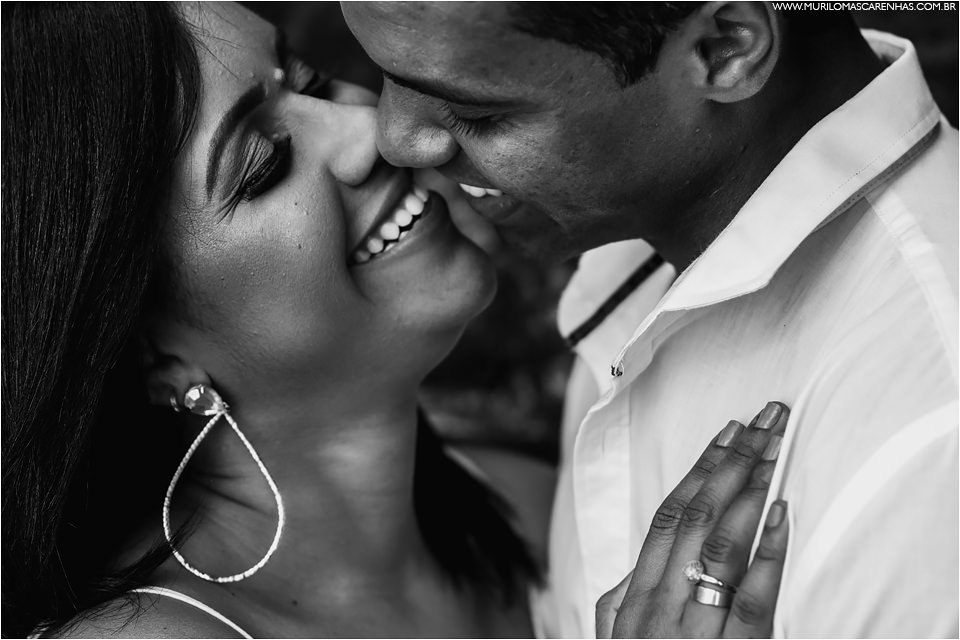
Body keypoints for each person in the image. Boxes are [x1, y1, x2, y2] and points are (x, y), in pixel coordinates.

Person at [3, 3, 790, 638]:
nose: (370, 131)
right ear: (149, 353)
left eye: (308, 79)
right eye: (264, 163)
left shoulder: (525, 501)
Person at [341, 2, 960, 637]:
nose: (394, 138)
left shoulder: (928, 448)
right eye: (387, 73)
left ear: (725, 48)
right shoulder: (644, 234)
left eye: (478, 113)